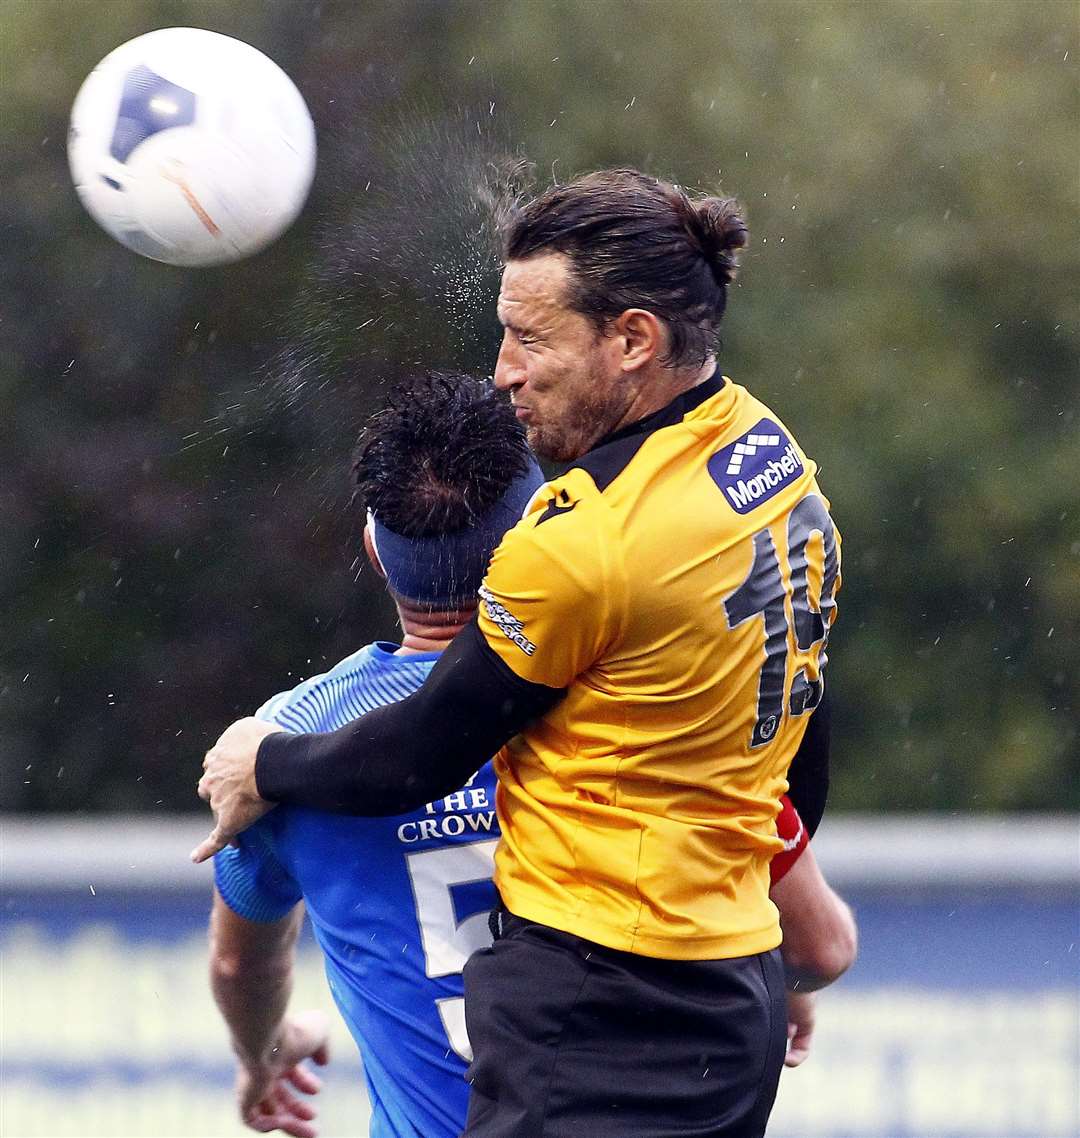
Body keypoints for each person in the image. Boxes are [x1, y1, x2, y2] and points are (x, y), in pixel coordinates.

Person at [195, 169, 845, 1137]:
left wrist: (268, 763)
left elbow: (425, 747)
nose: (503, 369)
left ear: (633, 339)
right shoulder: (768, 456)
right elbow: (795, 698)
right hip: (727, 993)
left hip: (592, 1014)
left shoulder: (581, 546)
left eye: (530, 339)